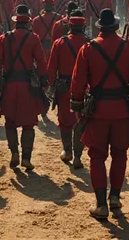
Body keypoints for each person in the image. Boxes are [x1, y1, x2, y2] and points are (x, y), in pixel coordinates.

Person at [71, 9, 129, 220]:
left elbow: (78, 83)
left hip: (97, 111)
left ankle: (100, 204)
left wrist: (77, 107)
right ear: (115, 27)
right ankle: (114, 197)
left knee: (97, 156)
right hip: (123, 109)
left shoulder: (88, 49)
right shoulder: (128, 47)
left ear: (100, 28)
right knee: (120, 154)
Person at [0, 4, 48, 170]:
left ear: (15, 22)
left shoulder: (4, 38)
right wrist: (44, 81)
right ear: (29, 22)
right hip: (27, 86)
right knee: (29, 123)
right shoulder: (33, 38)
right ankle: (26, 157)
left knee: (10, 122)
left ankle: (14, 153)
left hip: (9, 85)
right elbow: (41, 62)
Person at [47, 10, 89, 168]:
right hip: (85, 88)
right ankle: (78, 156)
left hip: (64, 87)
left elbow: (52, 68)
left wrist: (50, 85)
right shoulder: (90, 43)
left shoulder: (59, 43)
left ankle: (68, 150)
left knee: (65, 121)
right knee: (81, 122)